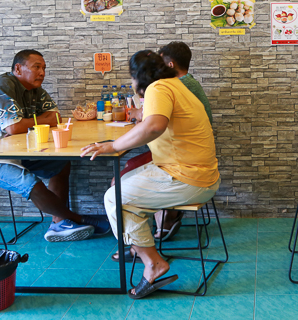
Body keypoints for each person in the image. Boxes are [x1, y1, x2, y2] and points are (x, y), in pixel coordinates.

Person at [81, 50, 220, 300]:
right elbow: (151, 120)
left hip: (188, 177)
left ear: (138, 76)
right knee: (121, 183)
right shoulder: (175, 85)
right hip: (196, 172)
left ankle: (153, 263)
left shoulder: (158, 88)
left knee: (114, 198)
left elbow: (154, 125)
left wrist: (113, 145)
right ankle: (140, 245)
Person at [0, 50, 109, 242]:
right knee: (30, 182)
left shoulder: (35, 90)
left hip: (14, 152)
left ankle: (59, 223)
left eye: (44, 68)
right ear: (18, 69)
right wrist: (39, 120)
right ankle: (78, 219)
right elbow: (14, 127)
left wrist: (30, 122)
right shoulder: (3, 85)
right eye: (36, 67)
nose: (42, 72)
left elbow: (55, 117)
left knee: (61, 164)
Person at [152, 41, 213, 241]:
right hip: (194, 151)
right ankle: (167, 214)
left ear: (170, 65)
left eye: (160, 63)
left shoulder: (178, 86)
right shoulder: (189, 82)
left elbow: (156, 124)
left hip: (187, 155)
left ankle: (166, 217)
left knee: (125, 175)